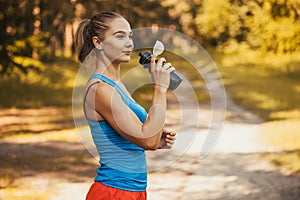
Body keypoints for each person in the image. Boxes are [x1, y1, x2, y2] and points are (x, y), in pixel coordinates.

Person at [74, 11, 177, 200]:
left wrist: (155, 137)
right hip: (114, 192)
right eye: (119, 36)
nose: (129, 43)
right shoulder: (100, 89)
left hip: (133, 191)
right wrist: (160, 88)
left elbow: (144, 138)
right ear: (98, 42)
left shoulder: (116, 85)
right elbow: (147, 140)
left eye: (130, 35)